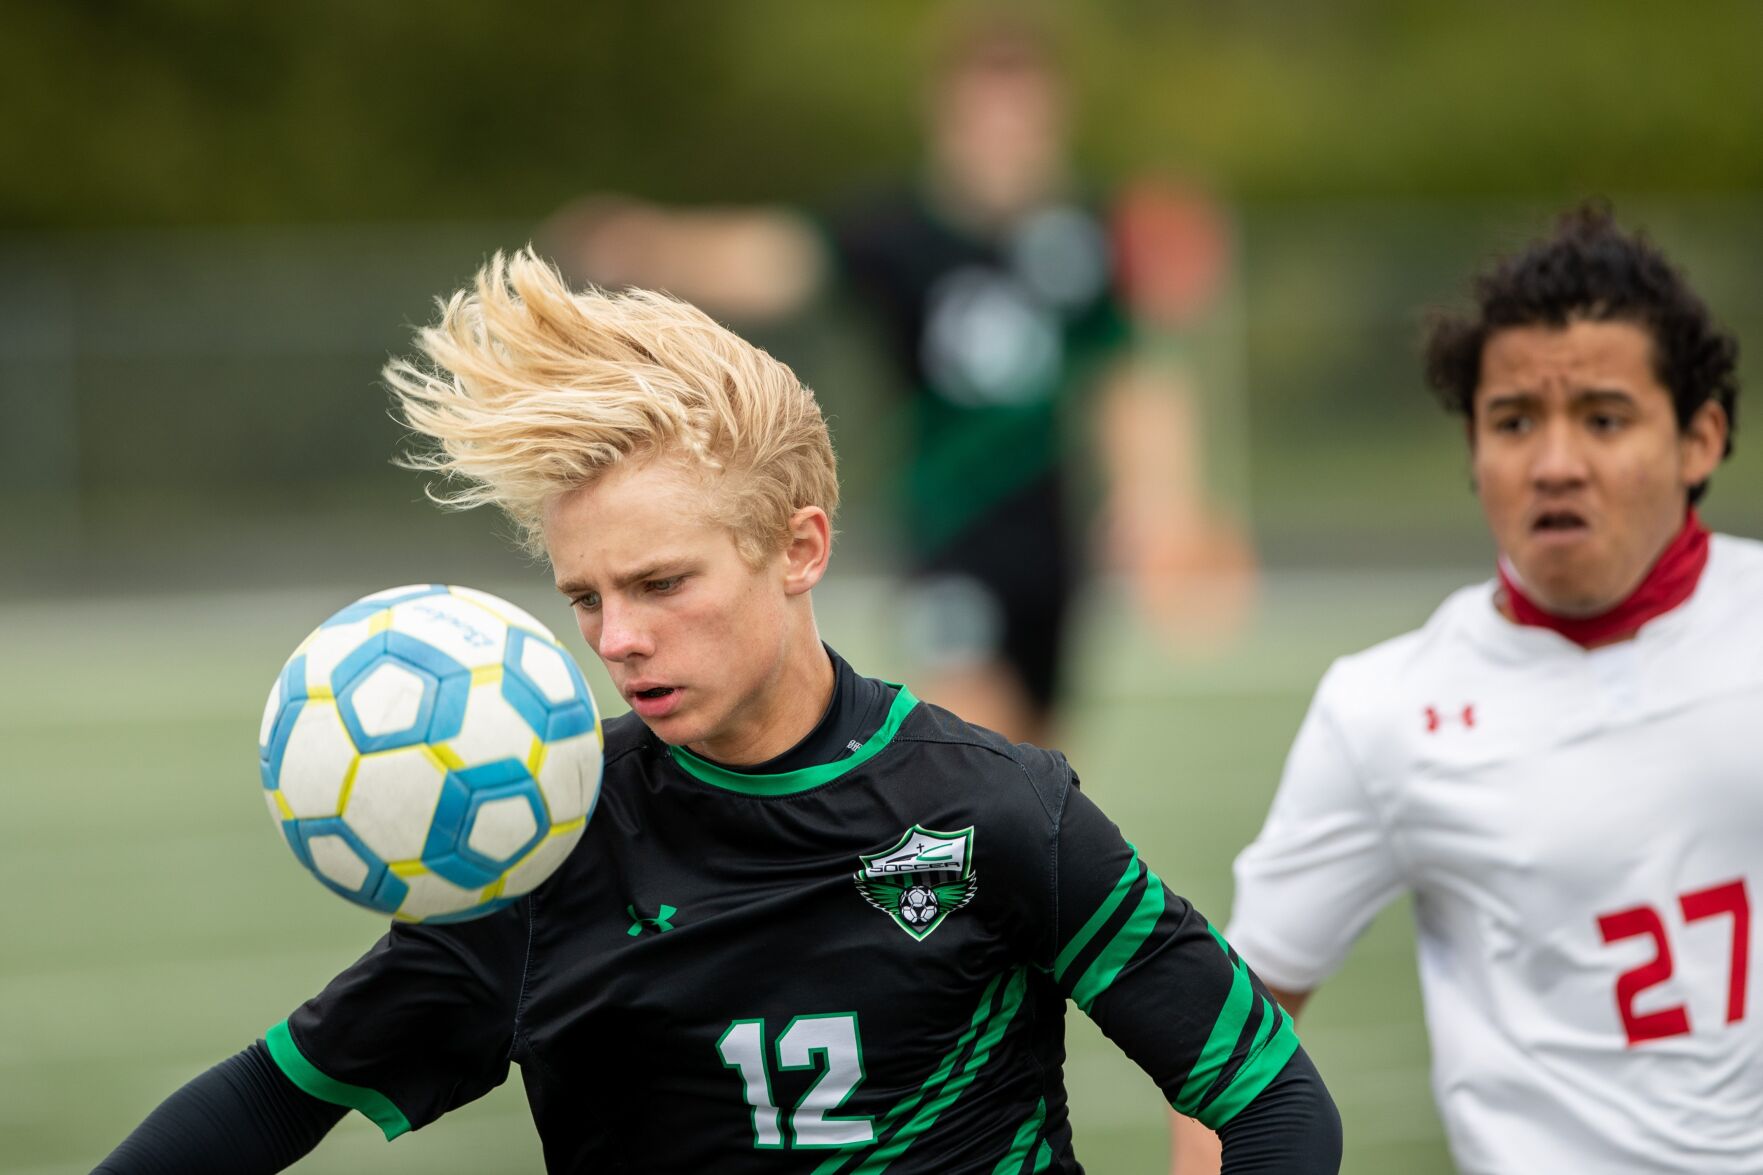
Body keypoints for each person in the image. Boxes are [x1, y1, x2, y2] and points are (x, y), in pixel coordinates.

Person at [96, 251, 1338, 1173]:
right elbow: (266, 1101)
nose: (615, 635)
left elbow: (1274, 1103)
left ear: (798, 546)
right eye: (584, 595)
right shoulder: (544, 847)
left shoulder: (999, 810)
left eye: (659, 582)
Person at [1172, 204, 1757, 1172]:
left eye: (1602, 418)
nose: (1553, 462)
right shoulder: (1387, 709)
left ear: (1698, 438)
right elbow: (1226, 1038)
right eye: (1513, 420)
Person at [546, 14, 1253, 747]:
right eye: (987, 109)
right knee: (977, 742)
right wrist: (652, 245)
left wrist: (1156, 499)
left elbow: (1129, 375)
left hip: (1051, 534)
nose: (1005, 132)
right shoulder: (900, 231)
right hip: (949, 526)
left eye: (1022, 109)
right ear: (948, 114)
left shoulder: (1085, 234)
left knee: (1040, 773)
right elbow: (772, 260)